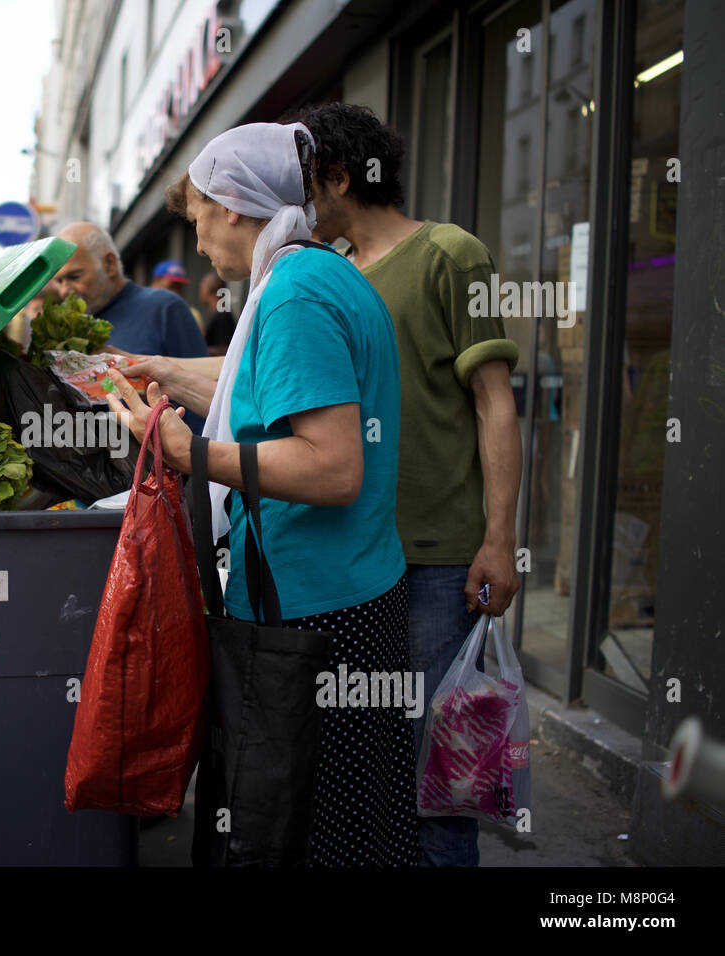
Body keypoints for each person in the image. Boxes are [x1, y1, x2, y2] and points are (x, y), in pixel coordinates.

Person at [106, 121, 418, 866]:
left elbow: (333, 469)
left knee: (305, 834)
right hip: (346, 598)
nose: (200, 240)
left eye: (201, 216)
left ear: (238, 206)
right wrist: (164, 369)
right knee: (353, 829)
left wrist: (191, 451)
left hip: (314, 619)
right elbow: (265, 384)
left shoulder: (294, 294)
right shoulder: (317, 273)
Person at [294, 101, 522, 867]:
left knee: (443, 781)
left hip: (438, 563)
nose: (299, 206)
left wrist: (498, 541)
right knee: (380, 773)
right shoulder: (336, 274)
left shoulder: (452, 253)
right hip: (361, 562)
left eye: (306, 183)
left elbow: (495, 403)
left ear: (336, 176)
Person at [55, 222, 207, 430]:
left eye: (74, 277)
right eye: (59, 281)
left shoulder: (164, 308)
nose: (64, 291)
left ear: (109, 264)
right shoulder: (71, 330)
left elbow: (200, 399)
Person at [150, 259, 205, 331]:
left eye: (180, 287)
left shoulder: (191, 314)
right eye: (171, 286)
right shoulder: (140, 309)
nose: (176, 292)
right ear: (156, 281)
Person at [199, 271, 234, 356]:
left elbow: (226, 350)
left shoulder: (222, 316)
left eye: (201, 288)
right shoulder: (219, 313)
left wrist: (198, 349)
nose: (200, 293)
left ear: (207, 290)